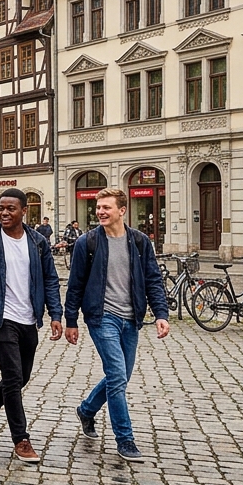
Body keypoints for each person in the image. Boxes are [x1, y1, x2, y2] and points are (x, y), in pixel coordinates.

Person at [64, 187, 169, 462]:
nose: (100, 212)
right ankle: (125, 439)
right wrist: (71, 320)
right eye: (98, 207)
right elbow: (74, 285)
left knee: (119, 377)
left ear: (122, 210)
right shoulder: (87, 243)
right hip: (102, 317)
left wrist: (161, 314)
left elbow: (153, 280)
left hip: (131, 318)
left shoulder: (140, 242)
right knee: (118, 376)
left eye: (106, 207)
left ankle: (86, 410)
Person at [0, 188, 63, 464]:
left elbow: (50, 280)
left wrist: (55, 314)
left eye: (11, 208)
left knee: (22, 377)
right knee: (12, 378)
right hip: (1, 319)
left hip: (28, 318)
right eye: (2, 208)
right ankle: (21, 439)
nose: (5, 213)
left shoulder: (38, 242)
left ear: (24, 211)